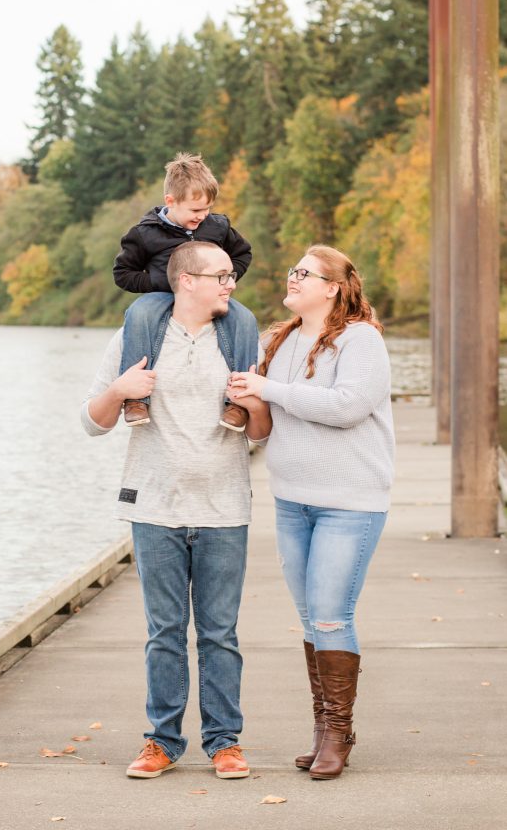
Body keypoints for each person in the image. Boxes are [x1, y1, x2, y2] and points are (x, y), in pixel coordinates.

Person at [82, 240, 271, 780]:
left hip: (225, 507)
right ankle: (161, 741)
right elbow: (92, 422)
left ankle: (224, 742)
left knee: (219, 634)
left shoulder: (238, 336)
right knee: (165, 631)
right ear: (186, 279)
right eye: (221, 276)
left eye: (232, 276)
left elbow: (259, 434)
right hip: (154, 506)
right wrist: (121, 388)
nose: (231, 284)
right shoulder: (136, 334)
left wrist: (255, 402)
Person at [228, 244, 394, 781]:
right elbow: (271, 408)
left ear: (333, 288)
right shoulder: (280, 340)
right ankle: (324, 729)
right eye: (294, 270)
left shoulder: (360, 339)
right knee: (309, 618)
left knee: (330, 615)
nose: (293, 277)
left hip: (349, 501)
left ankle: (339, 734)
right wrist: (250, 398)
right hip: (292, 499)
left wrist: (269, 388)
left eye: (305, 272)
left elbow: (347, 407)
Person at [113, 152, 257, 432]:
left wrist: (223, 279)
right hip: (163, 296)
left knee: (246, 319)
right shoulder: (145, 233)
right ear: (171, 201)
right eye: (195, 211)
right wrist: (158, 282)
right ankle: (136, 399)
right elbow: (123, 274)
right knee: (138, 312)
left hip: (210, 297)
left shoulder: (217, 226)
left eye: (207, 208)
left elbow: (243, 253)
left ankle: (238, 401)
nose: (202, 216)